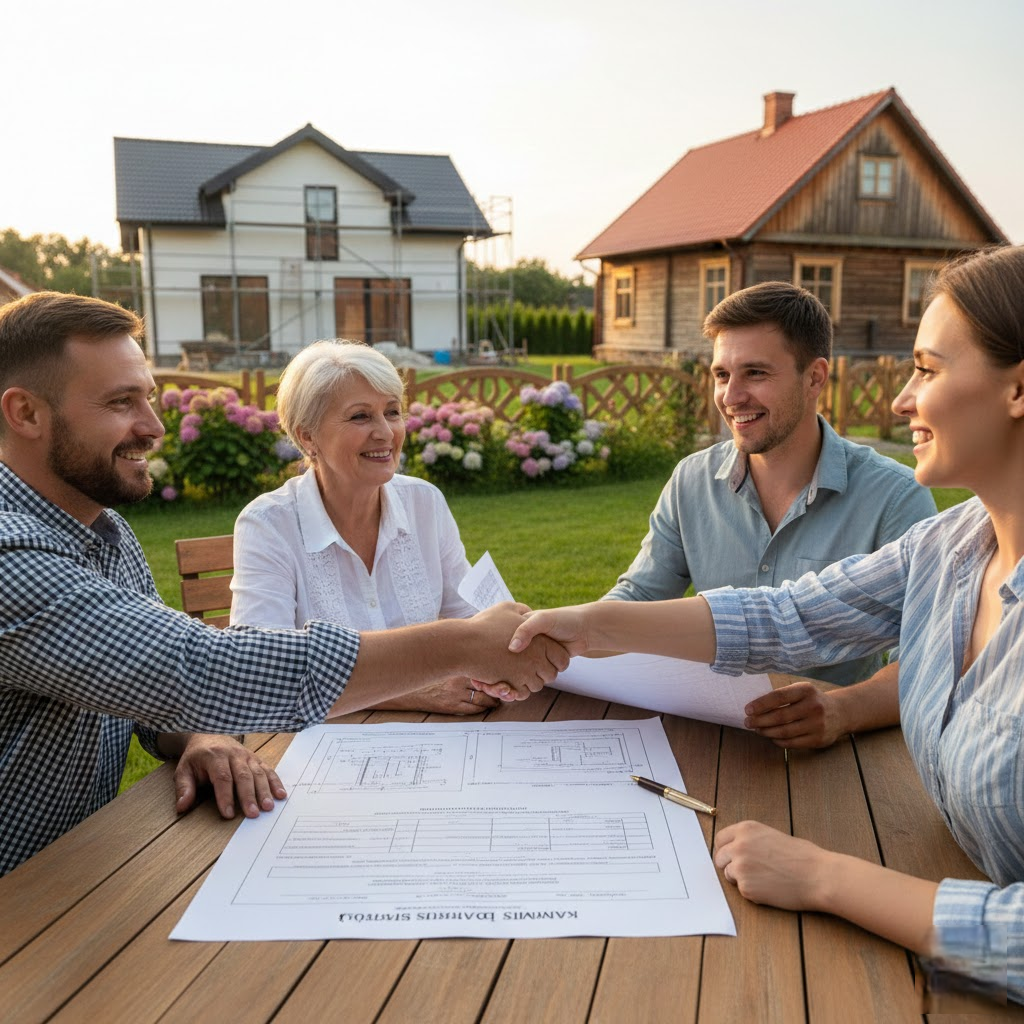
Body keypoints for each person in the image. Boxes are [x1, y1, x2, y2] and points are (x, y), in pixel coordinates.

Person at [509, 245, 1024, 1002]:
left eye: (928, 368)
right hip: (933, 878)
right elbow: (789, 616)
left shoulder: (897, 505)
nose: (900, 401)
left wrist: (820, 875)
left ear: (1017, 389)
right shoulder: (951, 546)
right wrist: (591, 625)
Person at [0, 292, 566, 877]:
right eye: (121, 402)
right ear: (26, 414)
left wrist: (197, 735)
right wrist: (464, 643)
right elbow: (200, 667)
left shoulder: (103, 531)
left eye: (147, 397)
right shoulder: (9, 552)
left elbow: (146, 688)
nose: (154, 426)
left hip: (71, 867)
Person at [605, 281, 935, 747]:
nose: (730, 396)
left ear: (815, 377)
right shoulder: (690, 480)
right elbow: (640, 595)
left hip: (835, 756)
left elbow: (928, 659)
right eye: (722, 374)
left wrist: (843, 709)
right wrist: (565, 631)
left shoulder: (895, 498)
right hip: (705, 732)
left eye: (755, 373)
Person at [231, 340, 494, 714]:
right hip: (314, 751)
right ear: (307, 436)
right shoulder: (268, 524)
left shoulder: (425, 502)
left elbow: (471, 620)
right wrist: (416, 691)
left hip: (442, 738)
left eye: (392, 412)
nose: (386, 432)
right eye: (360, 416)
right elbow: (258, 673)